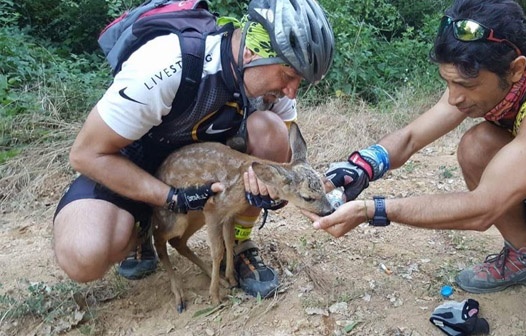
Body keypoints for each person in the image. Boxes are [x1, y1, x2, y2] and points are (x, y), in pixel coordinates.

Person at [304, 0, 526, 334]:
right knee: (478, 144)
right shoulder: (499, 80)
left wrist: (370, 210)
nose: (453, 98)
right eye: (448, 82)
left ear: (517, 68)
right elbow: (409, 138)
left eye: (464, 86)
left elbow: (481, 210)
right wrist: (356, 168)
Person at [53, 0, 334, 300]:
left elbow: (288, 167)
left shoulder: (272, 87)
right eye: (288, 75)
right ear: (252, 54)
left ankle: (238, 246)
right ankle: (143, 227)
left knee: (272, 131)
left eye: (299, 82)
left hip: (199, 161)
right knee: (84, 256)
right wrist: (171, 198)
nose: (291, 91)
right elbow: (84, 154)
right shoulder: (167, 64)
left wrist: (292, 198)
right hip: (135, 159)